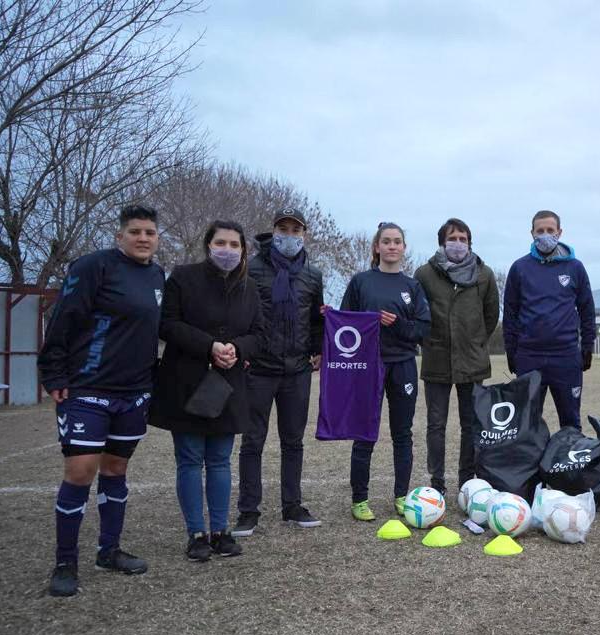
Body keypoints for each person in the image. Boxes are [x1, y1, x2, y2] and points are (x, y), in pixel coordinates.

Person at [37, 204, 165, 597]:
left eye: (149, 233)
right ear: (119, 236)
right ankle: (65, 562)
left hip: (134, 393)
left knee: (115, 469)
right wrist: (53, 373)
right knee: (80, 472)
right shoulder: (94, 266)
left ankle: (108, 551)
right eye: (135, 232)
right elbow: (63, 317)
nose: (143, 238)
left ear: (157, 239)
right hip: (87, 389)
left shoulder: (158, 276)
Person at [150, 220, 264, 560]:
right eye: (221, 243)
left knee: (219, 460)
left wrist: (237, 349)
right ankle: (196, 533)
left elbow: (259, 334)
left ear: (243, 250)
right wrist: (209, 346)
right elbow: (167, 324)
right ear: (208, 245)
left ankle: (220, 531)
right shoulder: (183, 278)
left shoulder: (250, 288)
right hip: (186, 383)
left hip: (227, 384)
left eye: (234, 244)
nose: (228, 250)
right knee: (189, 459)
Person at [233, 208, 325, 537]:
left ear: (304, 234)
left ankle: (292, 506)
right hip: (259, 368)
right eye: (283, 229)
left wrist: (317, 350)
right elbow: (240, 314)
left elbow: (316, 319)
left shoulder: (312, 275)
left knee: (293, 441)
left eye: (295, 230)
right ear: (273, 232)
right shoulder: (251, 268)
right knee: (252, 441)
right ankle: (248, 510)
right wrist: (243, 351)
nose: (289, 235)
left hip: (297, 370)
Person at [340, 222, 431, 520]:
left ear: (404, 248)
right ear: (377, 247)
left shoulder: (412, 286)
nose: (392, 246)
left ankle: (402, 496)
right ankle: (359, 499)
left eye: (397, 241)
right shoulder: (361, 282)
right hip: (369, 366)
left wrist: (398, 324)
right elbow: (345, 323)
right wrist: (331, 318)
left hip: (403, 365)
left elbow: (423, 329)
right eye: (387, 241)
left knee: (402, 433)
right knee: (365, 433)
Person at [414, 218, 500, 496]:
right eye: (453, 238)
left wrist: (475, 341)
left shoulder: (484, 274)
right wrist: (430, 342)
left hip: (472, 361)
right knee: (436, 425)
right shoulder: (424, 274)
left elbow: (491, 315)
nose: (458, 243)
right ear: (442, 242)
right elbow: (418, 314)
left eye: (463, 239)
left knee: (471, 424)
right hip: (436, 359)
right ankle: (437, 482)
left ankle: (467, 480)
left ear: (470, 243)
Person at [502, 210, 596, 429]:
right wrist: (511, 350)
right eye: (540, 230)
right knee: (527, 423)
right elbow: (510, 314)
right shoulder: (519, 268)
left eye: (550, 230)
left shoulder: (575, 267)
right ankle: (531, 454)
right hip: (529, 356)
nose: (545, 235)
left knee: (571, 422)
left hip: (566, 356)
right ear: (532, 233)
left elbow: (587, 310)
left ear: (559, 233)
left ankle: (570, 453)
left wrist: (588, 346)